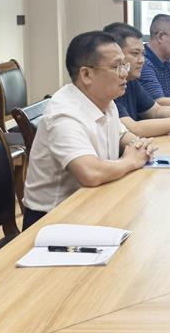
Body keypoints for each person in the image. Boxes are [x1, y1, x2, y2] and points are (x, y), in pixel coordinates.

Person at [21, 31, 158, 229]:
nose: (124, 73)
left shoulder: (105, 100)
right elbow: (90, 172)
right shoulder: (64, 114)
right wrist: (131, 160)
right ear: (86, 75)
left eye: (124, 65)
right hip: (52, 221)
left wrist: (138, 145)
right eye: (116, 67)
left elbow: (122, 135)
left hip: (92, 203)